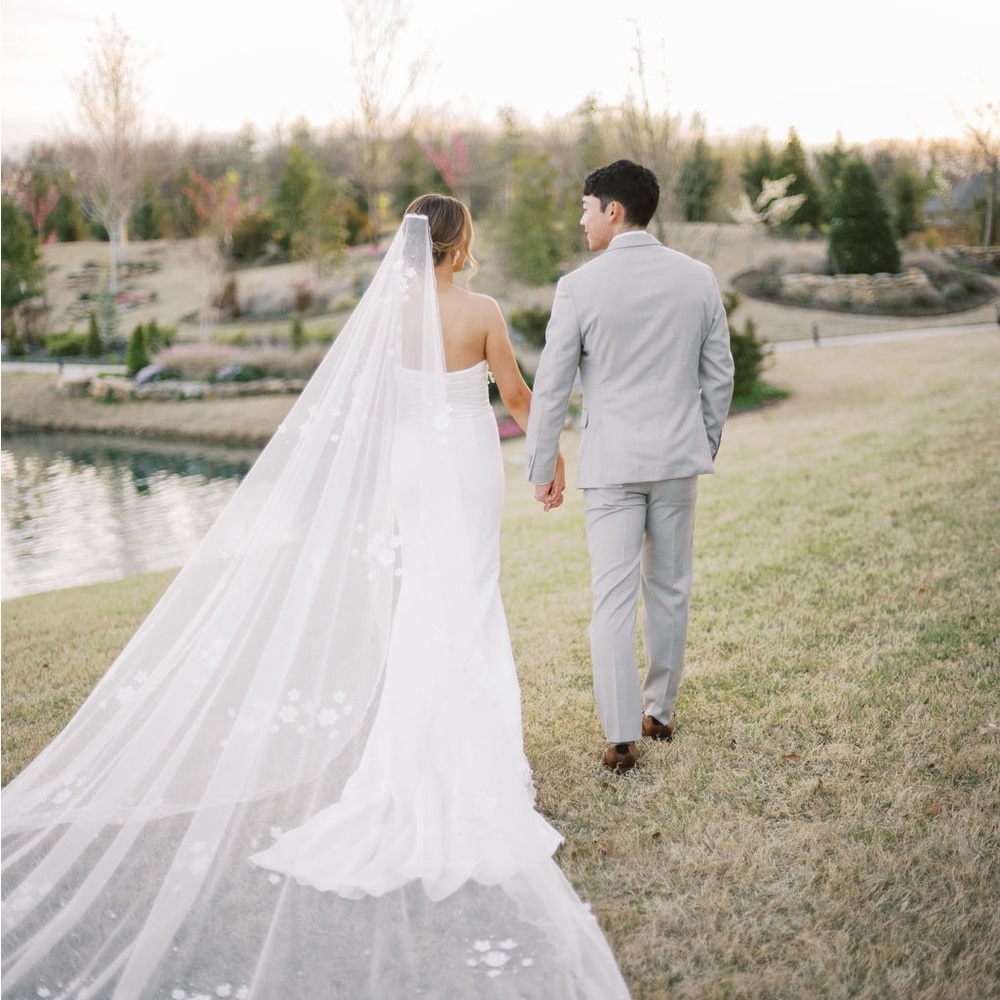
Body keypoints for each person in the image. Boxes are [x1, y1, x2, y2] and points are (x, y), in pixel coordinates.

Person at [1, 199, 629, 999]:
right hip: (466, 467)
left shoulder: (385, 318)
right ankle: (472, 757)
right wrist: (549, 460)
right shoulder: (481, 310)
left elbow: (360, 413)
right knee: (467, 600)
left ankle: (421, 757)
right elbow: (512, 393)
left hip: (411, 466)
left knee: (425, 603)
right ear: (460, 241)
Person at [526, 160, 735, 773]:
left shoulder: (579, 287)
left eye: (587, 208)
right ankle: (660, 712)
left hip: (612, 467)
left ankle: (621, 738)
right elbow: (718, 377)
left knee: (612, 599)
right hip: (677, 460)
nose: (582, 220)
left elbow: (551, 386)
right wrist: (703, 444)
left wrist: (542, 463)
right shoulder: (698, 278)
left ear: (613, 210)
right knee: (669, 587)